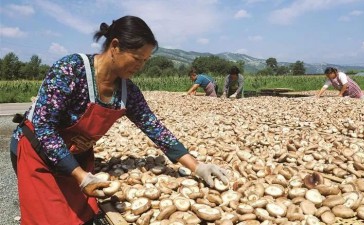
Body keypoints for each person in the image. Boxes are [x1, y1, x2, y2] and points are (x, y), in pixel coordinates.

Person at [10, 16, 228, 225]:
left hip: (76, 159)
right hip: (38, 155)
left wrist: (197, 166)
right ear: (115, 46)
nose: (140, 67)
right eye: (137, 58)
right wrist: (80, 176)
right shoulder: (71, 70)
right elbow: (43, 125)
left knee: (83, 218)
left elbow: (154, 128)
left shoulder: (127, 91)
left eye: (145, 61)